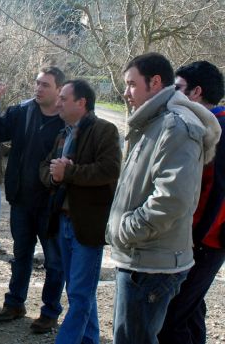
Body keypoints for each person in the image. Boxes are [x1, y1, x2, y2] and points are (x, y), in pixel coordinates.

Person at [106, 53, 221, 344]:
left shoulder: (176, 126)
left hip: (158, 256)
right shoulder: (154, 121)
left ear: (155, 82)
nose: (126, 92)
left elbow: (173, 199)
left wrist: (127, 229)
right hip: (148, 253)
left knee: (153, 333)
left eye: (132, 84)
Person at [0, 66, 66, 333]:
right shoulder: (21, 112)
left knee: (54, 261)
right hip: (21, 201)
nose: (38, 89)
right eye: (37, 83)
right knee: (21, 256)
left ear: (59, 90)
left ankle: (50, 312)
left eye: (45, 85)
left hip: (51, 205)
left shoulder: (68, 120)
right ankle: (15, 303)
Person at [39, 79, 121, 344]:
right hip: (62, 222)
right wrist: (54, 176)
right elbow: (46, 167)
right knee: (80, 291)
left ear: (81, 102)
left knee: (79, 293)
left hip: (86, 225)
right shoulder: (64, 133)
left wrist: (68, 172)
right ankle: (88, 340)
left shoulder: (104, 130)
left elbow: (109, 170)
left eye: (64, 98)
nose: (58, 102)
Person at [158, 61, 225, 344]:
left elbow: (216, 191)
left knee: (172, 317)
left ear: (196, 92)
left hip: (206, 242)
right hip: (199, 238)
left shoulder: (218, 130)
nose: (174, 94)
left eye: (179, 88)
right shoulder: (204, 125)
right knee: (190, 307)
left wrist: (195, 238)